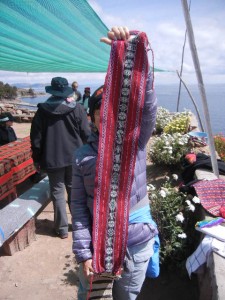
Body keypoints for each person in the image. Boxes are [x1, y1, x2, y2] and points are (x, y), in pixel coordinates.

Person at [71, 26, 158, 299]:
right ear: (92, 117)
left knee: (127, 296)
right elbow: (79, 208)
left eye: (112, 108)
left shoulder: (136, 142)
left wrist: (134, 51)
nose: (105, 115)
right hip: (100, 247)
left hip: (137, 243)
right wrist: (84, 253)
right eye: (100, 110)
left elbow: (146, 107)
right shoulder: (82, 156)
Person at [30, 77, 91, 239]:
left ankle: (62, 229)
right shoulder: (76, 108)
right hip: (75, 157)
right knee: (74, 191)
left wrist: (37, 159)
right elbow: (86, 133)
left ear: (52, 91)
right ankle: (78, 225)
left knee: (57, 192)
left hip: (52, 159)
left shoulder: (42, 111)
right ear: (66, 91)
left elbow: (36, 139)